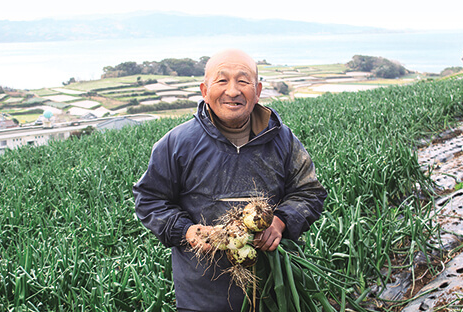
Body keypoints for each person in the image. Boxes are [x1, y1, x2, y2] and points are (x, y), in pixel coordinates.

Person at [133, 49, 327, 312]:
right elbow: (149, 200)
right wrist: (187, 231)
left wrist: (279, 223)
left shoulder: (283, 140)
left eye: (243, 81)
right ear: (204, 89)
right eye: (222, 81)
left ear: (257, 91)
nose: (233, 91)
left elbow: (309, 192)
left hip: (273, 290)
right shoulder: (177, 143)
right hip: (201, 297)